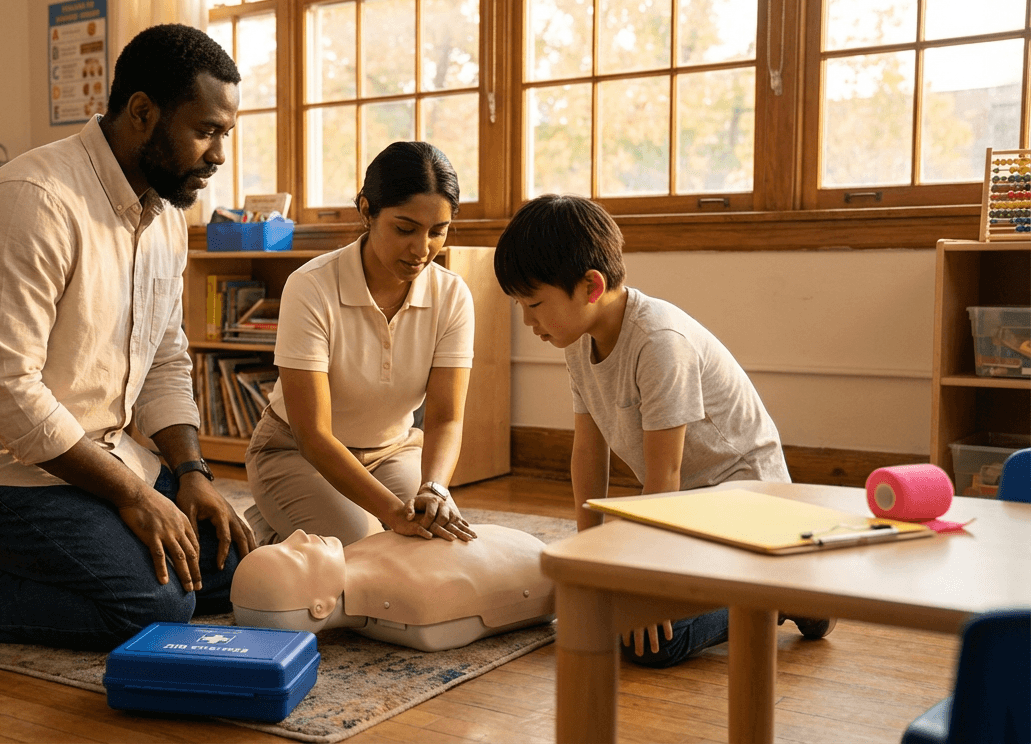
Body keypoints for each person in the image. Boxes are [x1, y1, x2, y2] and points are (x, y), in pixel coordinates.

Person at [0, 24, 255, 651]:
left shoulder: (165, 217)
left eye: (226, 134)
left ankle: (4, 559)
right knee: (154, 603)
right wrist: (136, 496)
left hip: (97, 457)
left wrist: (191, 473)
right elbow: (3, 391)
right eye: (206, 131)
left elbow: (166, 360)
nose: (219, 155)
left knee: (237, 570)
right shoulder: (31, 201)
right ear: (143, 112)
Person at [492, 194, 832, 669]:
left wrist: (648, 582)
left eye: (533, 304)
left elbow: (664, 473)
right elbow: (588, 452)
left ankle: (786, 593)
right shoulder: (576, 340)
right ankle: (773, 587)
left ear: (591, 286)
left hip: (747, 503)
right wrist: (589, 561)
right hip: (686, 510)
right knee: (593, 607)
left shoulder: (658, 341)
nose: (527, 320)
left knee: (648, 639)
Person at [243, 141, 478, 547]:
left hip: (392, 451)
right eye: (405, 229)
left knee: (432, 540)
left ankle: (298, 525)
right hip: (297, 454)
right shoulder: (311, 286)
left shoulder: (452, 295)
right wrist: (389, 514)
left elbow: (445, 419)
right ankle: (270, 524)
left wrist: (435, 489)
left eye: (437, 231)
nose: (422, 250)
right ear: (367, 211)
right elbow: (312, 434)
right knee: (361, 543)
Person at [231, 525, 554, 652]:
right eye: (297, 553)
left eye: (288, 541)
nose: (299, 534)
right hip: (540, 566)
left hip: (528, 551)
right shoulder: (417, 601)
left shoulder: (354, 553)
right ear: (320, 607)